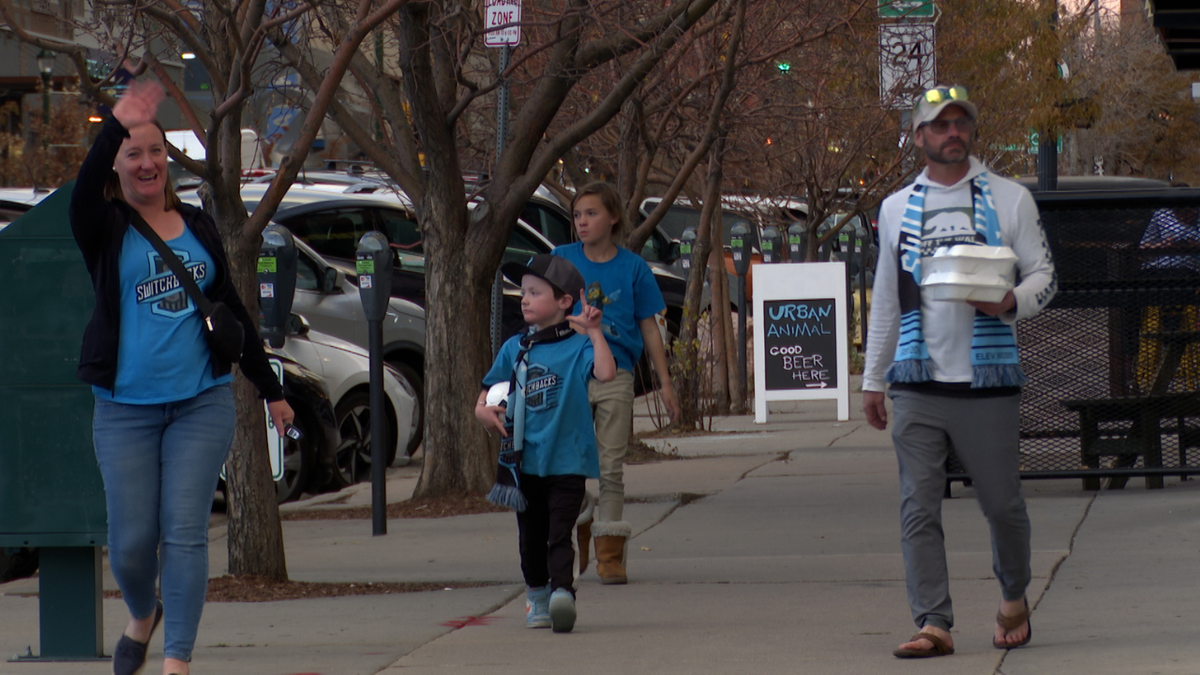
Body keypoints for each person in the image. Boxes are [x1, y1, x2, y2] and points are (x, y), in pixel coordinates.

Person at [70, 81, 294, 675]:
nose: (147, 163)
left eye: (156, 153)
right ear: (116, 164)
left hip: (202, 402)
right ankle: (143, 612)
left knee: (186, 533)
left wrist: (270, 390)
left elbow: (230, 309)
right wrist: (114, 125)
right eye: (133, 153)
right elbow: (80, 197)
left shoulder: (196, 224)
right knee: (131, 543)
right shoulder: (105, 227)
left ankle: (176, 662)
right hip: (125, 408)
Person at [861, 85, 1057, 659]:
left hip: (987, 383)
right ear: (919, 136)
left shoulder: (1009, 199)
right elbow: (887, 299)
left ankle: (1013, 595)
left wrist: (1008, 303)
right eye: (940, 125)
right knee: (917, 505)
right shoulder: (896, 207)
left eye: (961, 123)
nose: (953, 133)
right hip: (917, 382)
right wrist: (874, 378)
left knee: (1002, 504)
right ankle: (933, 622)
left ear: (972, 131)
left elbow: (1045, 276)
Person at [475, 254, 616, 633]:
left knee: (559, 533)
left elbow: (605, 372)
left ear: (564, 301)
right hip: (524, 463)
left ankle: (562, 596)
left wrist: (595, 331)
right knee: (530, 538)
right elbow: (489, 390)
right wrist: (482, 411)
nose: (524, 299)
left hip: (568, 458)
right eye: (523, 292)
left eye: (535, 292)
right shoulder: (514, 348)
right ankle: (537, 595)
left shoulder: (578, 346)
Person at [551, 182, 679, 585]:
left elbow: (650, 327)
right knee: (565, 462)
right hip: (570, 373)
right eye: (577, 215)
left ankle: (610, 554)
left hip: (617, 374)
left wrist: (666, 383)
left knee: (611, 466)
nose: (582, 222)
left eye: (591, 213)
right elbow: (540, 307)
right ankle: (583, 512)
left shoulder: (633, 268)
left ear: (614, 218)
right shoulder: (560, 259)